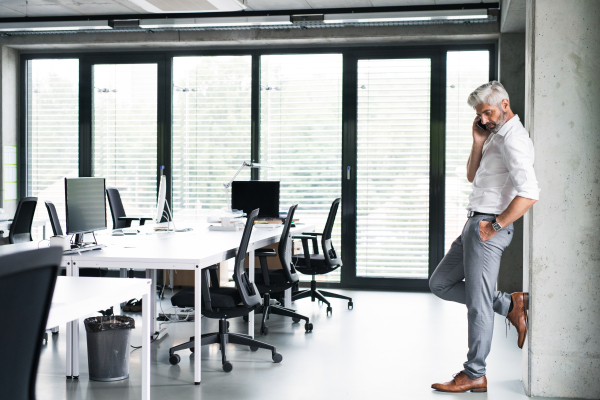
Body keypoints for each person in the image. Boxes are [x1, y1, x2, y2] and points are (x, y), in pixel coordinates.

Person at [429, 81, 540, 393]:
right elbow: (472, 176)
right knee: (439, 284)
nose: (485, 119)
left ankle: (475, 373)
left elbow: (530, 193)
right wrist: (478, 141)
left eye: (488, 112)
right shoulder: (494, 136)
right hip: (474, 224)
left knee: (478, 305)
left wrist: (497, 225)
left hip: (487, 227)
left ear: (505, 104)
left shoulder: (514, 140)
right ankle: (509, 304)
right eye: (480, 115)